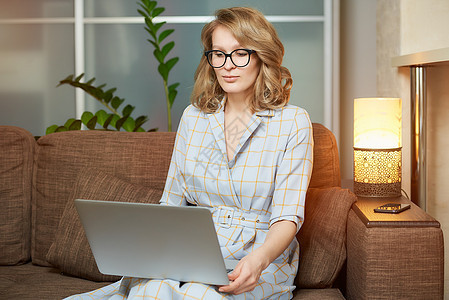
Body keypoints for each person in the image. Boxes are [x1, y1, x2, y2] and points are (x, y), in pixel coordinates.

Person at [66, 6, 313, 300]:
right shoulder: (193, 117)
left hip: (259, 254)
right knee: (152, 290)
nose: (228, 65)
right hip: (195, 248)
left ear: (261, 56)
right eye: (218, 54)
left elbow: (287, 216)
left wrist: (258, 261)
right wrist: (149, 252)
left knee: (200, 296)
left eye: (240, 53)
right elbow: (171, 202)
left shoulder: (293, 122)